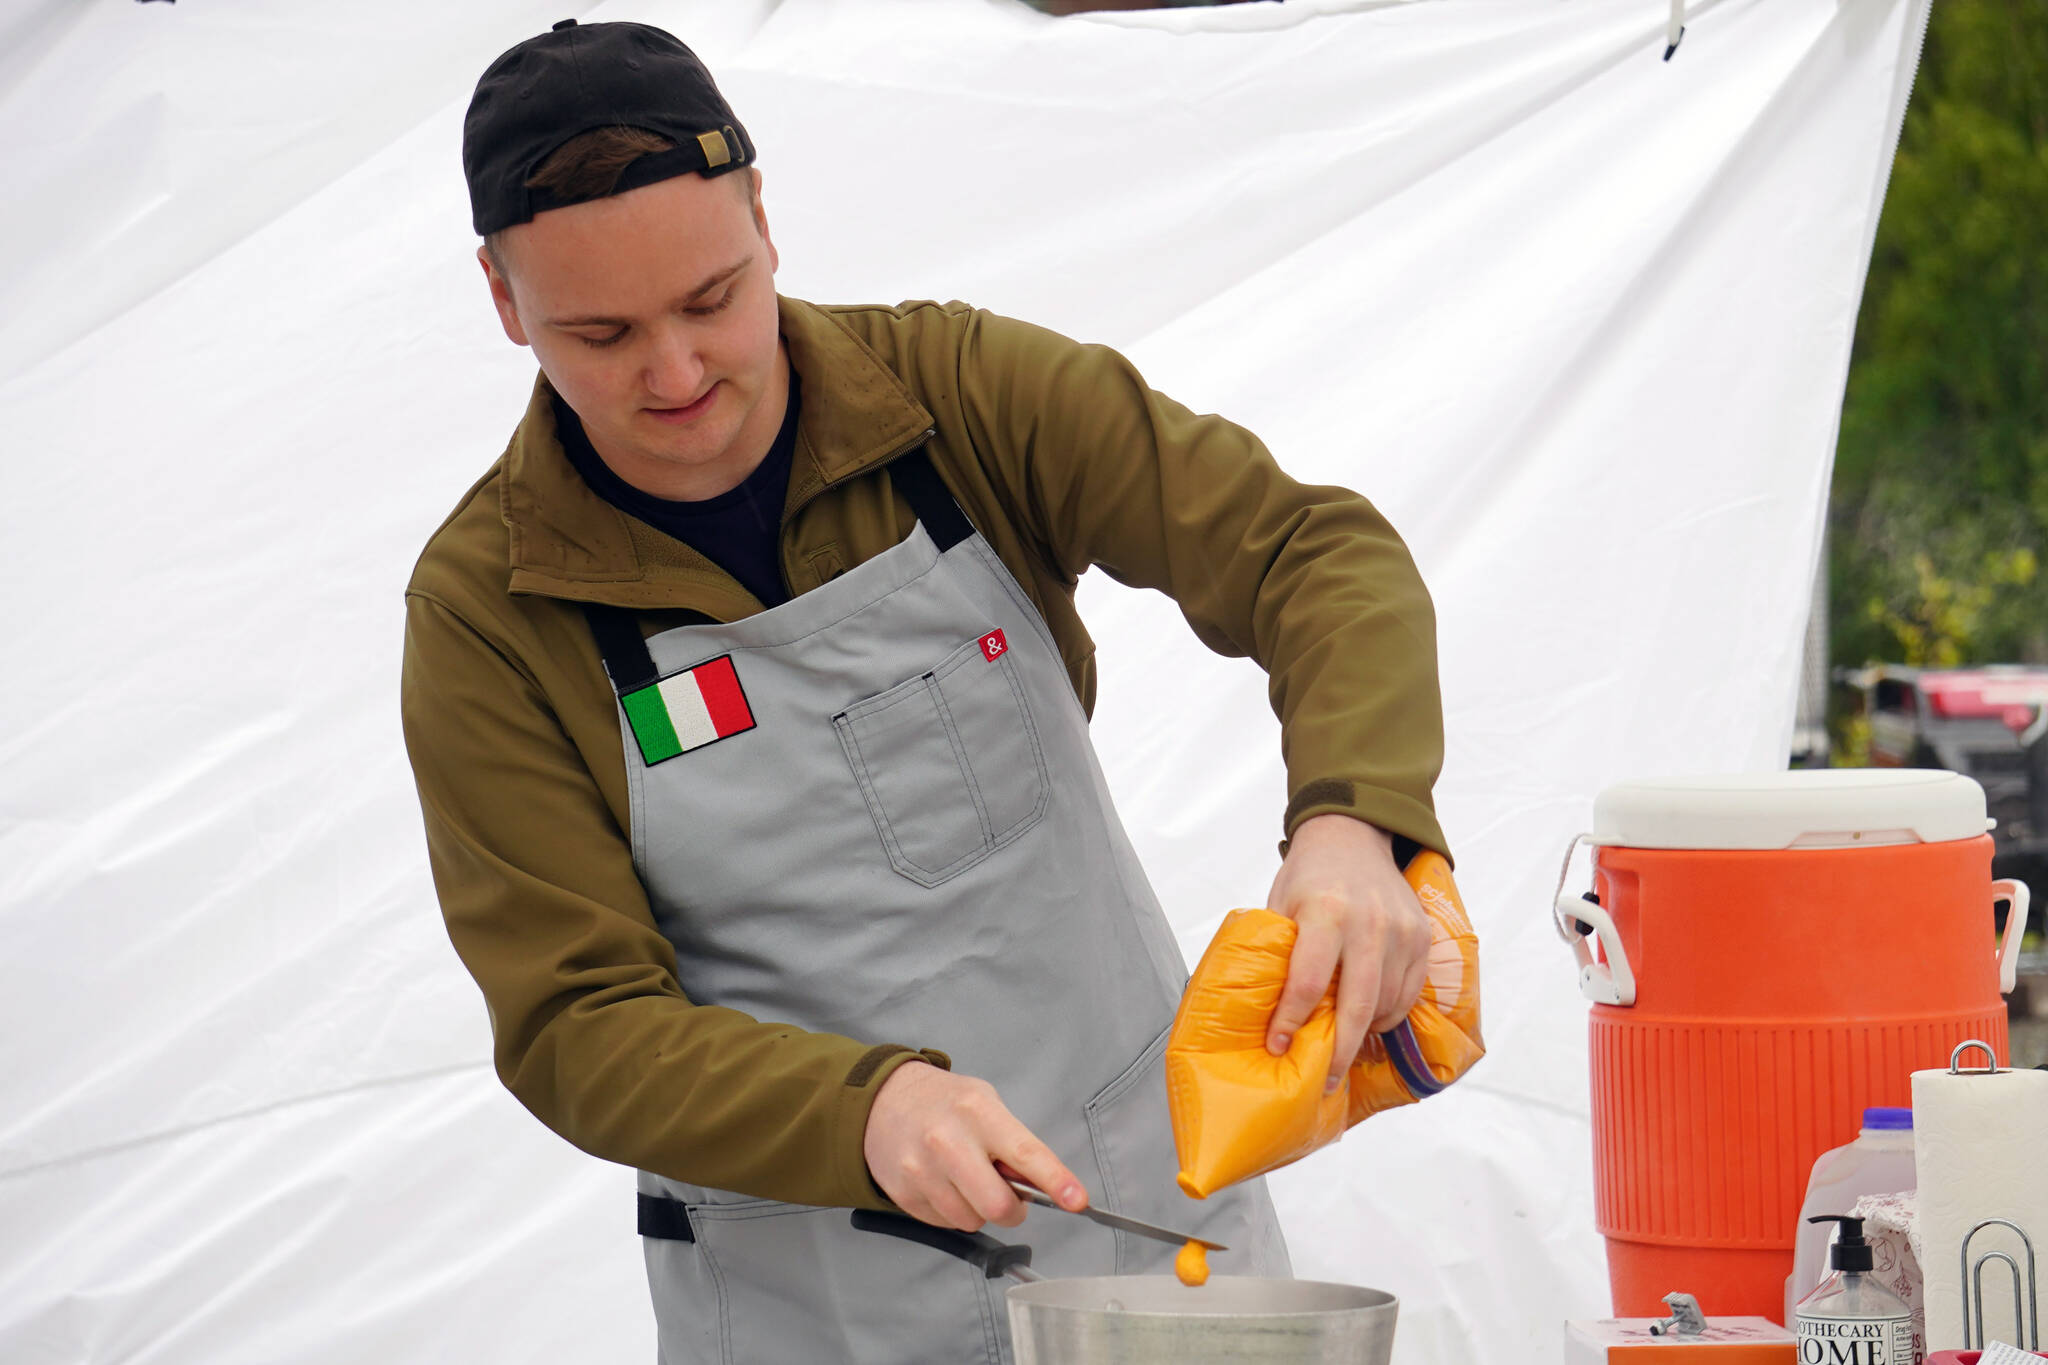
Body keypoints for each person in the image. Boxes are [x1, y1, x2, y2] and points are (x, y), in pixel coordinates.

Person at [400, 18, 1449, 1363]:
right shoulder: (489, 610)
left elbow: (1316, 555)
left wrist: (1355, 821)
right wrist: (865, 1107)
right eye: (598, 333)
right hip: (810, 1307)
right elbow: (574, 1022)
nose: (675, 374)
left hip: (1149, 1240)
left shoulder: (957, 400)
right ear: (502, 299)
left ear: (765, 220)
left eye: (712, 299)